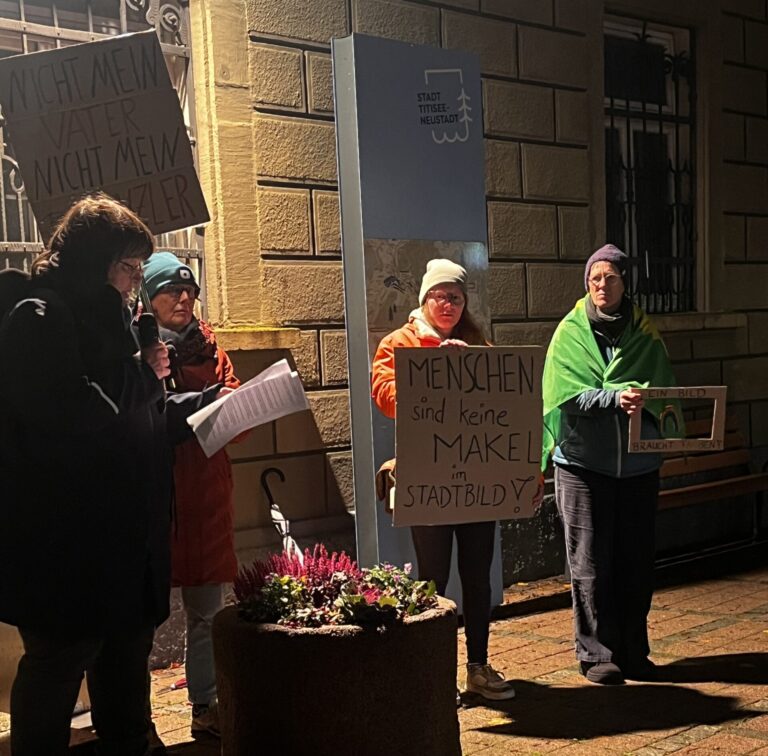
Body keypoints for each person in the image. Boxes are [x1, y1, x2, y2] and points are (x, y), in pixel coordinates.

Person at [0, 195, 218, 755]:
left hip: (124, 549)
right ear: (94, 260)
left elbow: (133, 416)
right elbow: (66, 411)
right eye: (129, 266)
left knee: (125, 672)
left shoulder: (118, 320)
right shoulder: (38, 315)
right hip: (65, 550)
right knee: (57, 670)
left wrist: (198, 409)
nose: (136, 281)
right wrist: (142, 376)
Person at [370, 258, 516, 701]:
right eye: (440, 296)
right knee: (432, 579)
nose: (448, 304)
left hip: (477, 478)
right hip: (429, 477)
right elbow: (385, 397)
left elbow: (503, 401)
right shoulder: (398, 343)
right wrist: (436, 369)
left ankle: (478, 666)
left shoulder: (478, 344)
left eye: (455, 297)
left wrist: (470, 366)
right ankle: (435, 673)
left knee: (478, 577)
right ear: (425, 299)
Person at [541, 244, 677, 685]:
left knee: (635, 564)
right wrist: (613, 398)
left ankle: (634, 651)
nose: (603, 285)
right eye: (595, 278)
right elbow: (563, 395)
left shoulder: (645, 332)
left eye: (611, 277)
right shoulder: (569, 333)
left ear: (623, 282)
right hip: (583, 466)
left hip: (638, 468)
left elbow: (663, 389)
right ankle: (596, 654)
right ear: (587, 284)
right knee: (590, 566)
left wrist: (651, 410)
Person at [142, 251, 240, 737]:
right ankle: (136, 718)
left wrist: (238, 408)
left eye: (190, 291)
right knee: (139, 621)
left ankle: (206, 706)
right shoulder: (132, 346)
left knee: (207, 613)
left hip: (204, 496)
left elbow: (234, 398)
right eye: (171, 291)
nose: (183, 299)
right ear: (148, 298)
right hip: (153, 498)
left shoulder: (209, 346)